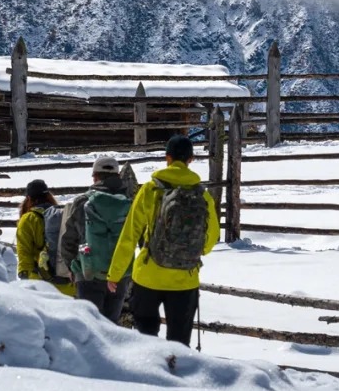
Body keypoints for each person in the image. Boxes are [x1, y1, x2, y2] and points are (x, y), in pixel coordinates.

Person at [106, 134, 219, 347]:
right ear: (191, 159)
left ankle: (150, 366)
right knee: (179, 344)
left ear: (167, 157)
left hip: (148, 276)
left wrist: (115, 273)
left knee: (146, 339)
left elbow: (130, 234)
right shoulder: (201, 194)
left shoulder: (151, 189)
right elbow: (212, 237)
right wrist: (190, 250)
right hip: (186, 278)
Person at [58, 154, 132, 323]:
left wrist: (73, 267)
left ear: (95, 177)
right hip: (119, 275)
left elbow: (69, 239)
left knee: (90, 327)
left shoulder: (83, 201)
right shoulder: (129, 202)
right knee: (110, 327)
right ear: (117, 176)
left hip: (87, 272)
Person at [15, 178, 74, 293]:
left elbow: (24, 251)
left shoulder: (28, 219)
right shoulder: (62, 215)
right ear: (48, 196)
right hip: (69, 284)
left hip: (42, 286)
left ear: (28, 198)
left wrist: (24, 275)